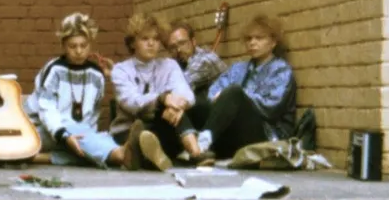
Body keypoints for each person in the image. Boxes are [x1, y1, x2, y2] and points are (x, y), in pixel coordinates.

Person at [109, 13, 210, 170]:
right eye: (145, 39)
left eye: (156, 39)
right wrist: (162, 99)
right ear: (133, 43)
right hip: (127, 131)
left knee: (170, 105)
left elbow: (188, 95)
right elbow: (131, 102)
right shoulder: (121, 70)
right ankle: (193, 153)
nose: (151, 43)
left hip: (161, 129)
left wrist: (176, 104)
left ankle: (189, 153)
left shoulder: (169, 65)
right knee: (158, 107)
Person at [27, 12, 124, 168]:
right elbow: (47, 110)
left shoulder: (96, 75)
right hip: (45, 130)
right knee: (95, 147)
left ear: (90, 45)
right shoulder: (54, 69)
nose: (78, 51)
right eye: (72, 46)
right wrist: (65, 136)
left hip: (78, 133)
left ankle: (42, 158)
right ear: (63, 46)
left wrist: (86, 139)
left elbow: (93, 114)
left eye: (83, 45)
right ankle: (122, 154)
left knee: (89, 146)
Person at [198, 14, 299, 160]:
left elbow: (270, 107)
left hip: (267, 135)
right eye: (249, 39)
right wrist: (219, 100)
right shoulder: (238, 68)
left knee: (234, 93)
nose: (252, 43)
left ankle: (202, 144)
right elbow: (213, 92)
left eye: (259, 38)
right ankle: (193, 143)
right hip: (236, 134)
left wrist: (237, 98)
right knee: (197, 103)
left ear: (273, 42)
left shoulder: (281, 70)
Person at [166, 20, 227, 98]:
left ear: (193, 42)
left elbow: (180, 88)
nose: (178, 50)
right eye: (173, 47)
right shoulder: (180, 63)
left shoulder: (204, 61)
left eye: (182, 43)